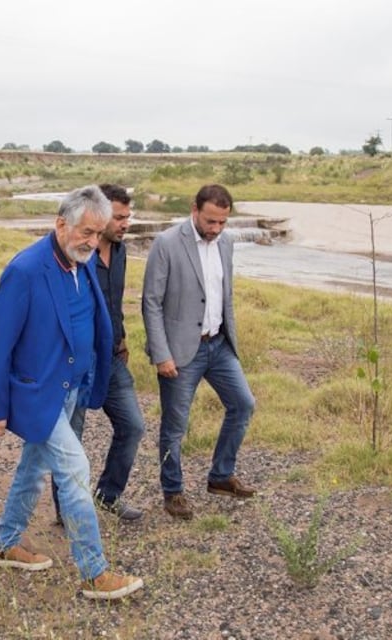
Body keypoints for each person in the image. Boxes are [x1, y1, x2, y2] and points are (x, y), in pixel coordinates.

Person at [0, 186, 143, 600]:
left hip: (74, 388)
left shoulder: (83, 261)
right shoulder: (25, 270)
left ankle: (6, 540)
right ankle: (95, 573)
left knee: (34, 469)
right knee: (75, 472)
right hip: (38, 393)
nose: (93, 241)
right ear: (61, 224)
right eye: (87, 232)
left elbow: (92, 321)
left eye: (98, 233)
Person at [142, 183, 257, 520]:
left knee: (243, 404)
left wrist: (229, 336)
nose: (216, 229)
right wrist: (161, 354)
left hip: (219, 345)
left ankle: (221, 477)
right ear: (194, 209)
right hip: (179, 352)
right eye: (210, 221)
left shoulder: (227, 243)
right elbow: (151, 302)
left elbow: (225, 294)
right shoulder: (166, 243)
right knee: (175, 427)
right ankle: (173, 492)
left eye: (222, 222)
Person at [51, 184, 145, 523]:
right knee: (71, 437)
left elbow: (114, 304)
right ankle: (68, 511)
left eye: (126, 217)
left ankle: (108, 495)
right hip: (77, 360)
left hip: (112, 358)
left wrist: (121, 338)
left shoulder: (119, 252)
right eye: (118, 217)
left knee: (133, 426)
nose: (124, 224)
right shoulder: (74, 254)